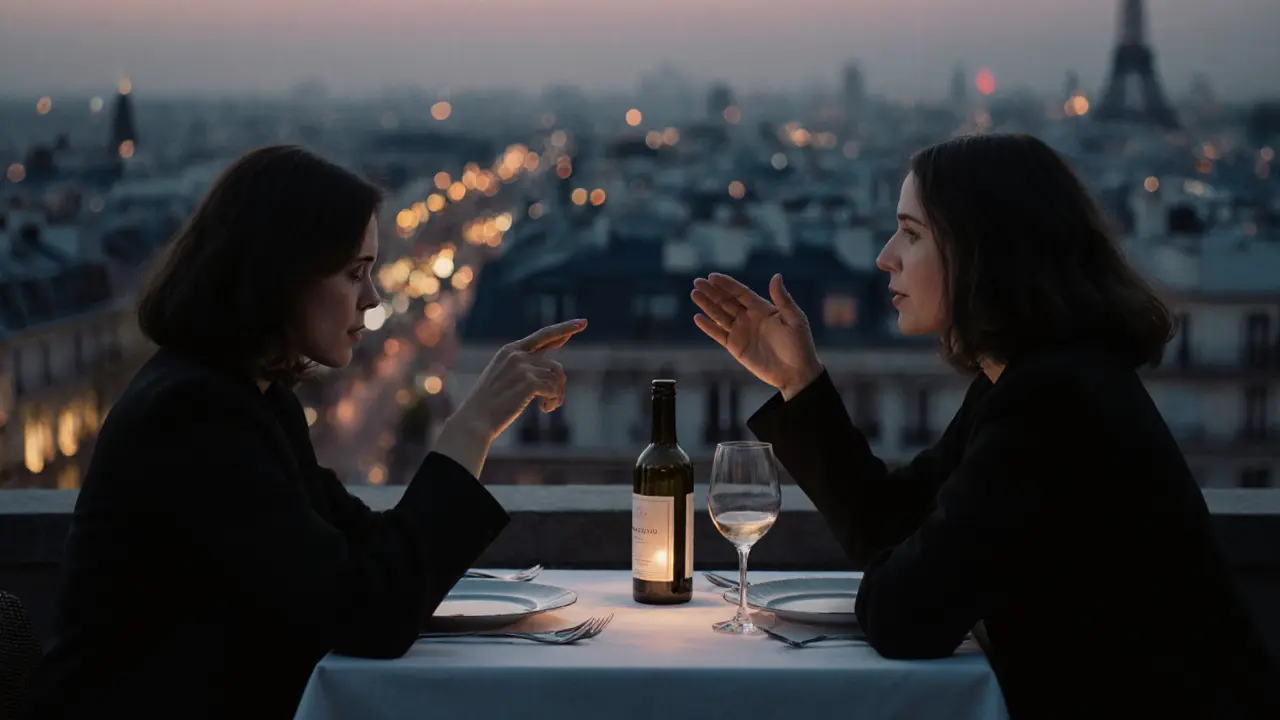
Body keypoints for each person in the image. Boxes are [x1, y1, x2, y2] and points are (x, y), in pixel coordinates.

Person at [691, 134, 1277, 717]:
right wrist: (799, 380)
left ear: (981, 250)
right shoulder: (1041, 378)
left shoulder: (1050, 403)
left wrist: (901, 575)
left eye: (911, 233)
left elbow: (905, 615)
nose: (886, 256)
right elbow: (889, 523)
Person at [27, 145, 586, 718]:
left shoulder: (247, 399)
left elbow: (362, 548)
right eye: (353, 273)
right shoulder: (193, 416)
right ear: (281, 276)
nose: (371, 298)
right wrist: (473, 426)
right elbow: (371, 613)